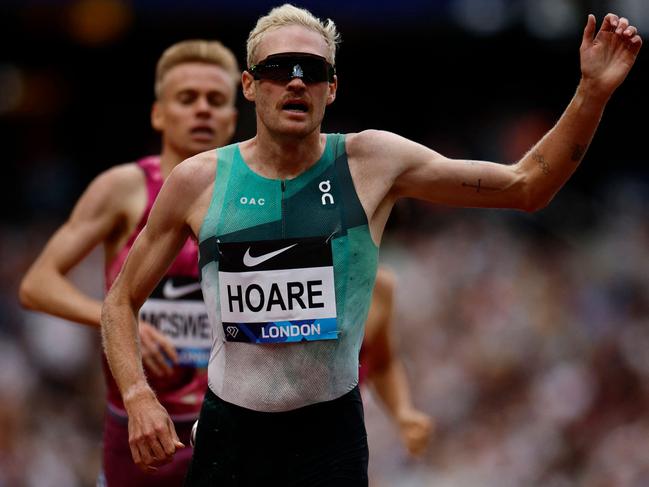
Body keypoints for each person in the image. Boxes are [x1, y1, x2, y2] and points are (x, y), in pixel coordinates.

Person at [99, 4, 642, 485]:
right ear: (248, 85)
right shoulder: (199, 182)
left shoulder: (372, 163)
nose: (295, 82)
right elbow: (120, 302)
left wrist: (591, 93)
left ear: (331, 88)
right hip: (230, 434)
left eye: (312, 71)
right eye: (277, 70)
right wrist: (138, 394)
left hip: (328, 438)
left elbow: (527, 187)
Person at [19, 39, 240, 486]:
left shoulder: (255, 198)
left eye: (215, 100)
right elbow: (37, 283)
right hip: (140, 427)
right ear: (159, 114)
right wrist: (121, 322)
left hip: (232, 424)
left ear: (232, 119)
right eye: (187, 98)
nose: (202, 110)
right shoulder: (125, 188)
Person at [360, 267, 433, 457]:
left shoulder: (376, 286)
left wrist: (402, 410)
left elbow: (382, 364)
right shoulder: (274, 275)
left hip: (338, 448)